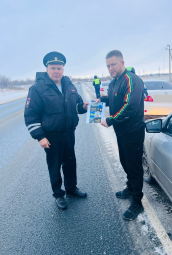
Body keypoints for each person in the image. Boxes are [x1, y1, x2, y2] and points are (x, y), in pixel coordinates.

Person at [24, 51, 89, 210]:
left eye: (59, 68)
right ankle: (58, 195)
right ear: (47, 69)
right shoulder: (38, 89)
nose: (56, 71)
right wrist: (40, 136)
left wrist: (84, 107)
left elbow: (77, 106)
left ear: (63, 69)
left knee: (70, 162)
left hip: (69, 133)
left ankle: (71, 188)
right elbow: (31, 115)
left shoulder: (70, 86)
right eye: (53, 68)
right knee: (54, 165)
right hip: (51, 136)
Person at [100, 50, 145, 221]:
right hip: (121, 131)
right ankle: (130, 187)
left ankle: (137, 202)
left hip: (133, 131)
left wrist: (111, 120)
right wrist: (100, 100)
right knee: (125, 162)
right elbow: (113, 99)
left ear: (122, 63)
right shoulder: (114, 82)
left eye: (113, 64)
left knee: (134, 166)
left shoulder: (132, 80)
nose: (110, 68)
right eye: (108, 66)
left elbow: (131, 106)